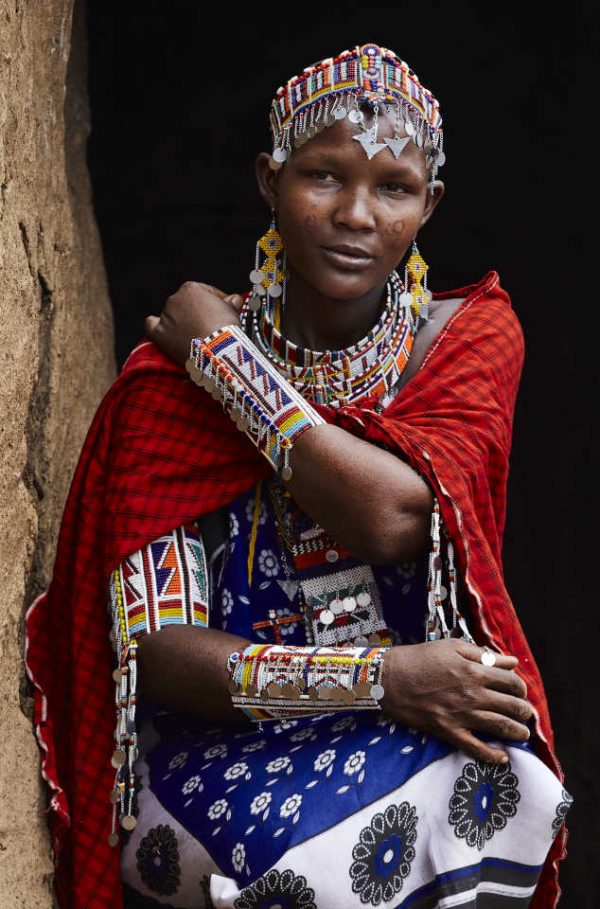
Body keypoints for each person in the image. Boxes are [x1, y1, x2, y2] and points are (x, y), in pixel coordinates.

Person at [24, 42, 572, 909]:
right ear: (267, 181)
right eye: (323, 176)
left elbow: (395, 516)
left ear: (427, 205)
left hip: (406, 721)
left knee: (514, 789)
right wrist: (386, 679)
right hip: (214, 750)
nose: (356, 214)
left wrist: (232, 368)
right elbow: (156, 655)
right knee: (311, 868)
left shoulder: (465, 342)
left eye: (392, 187)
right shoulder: (166, 388)